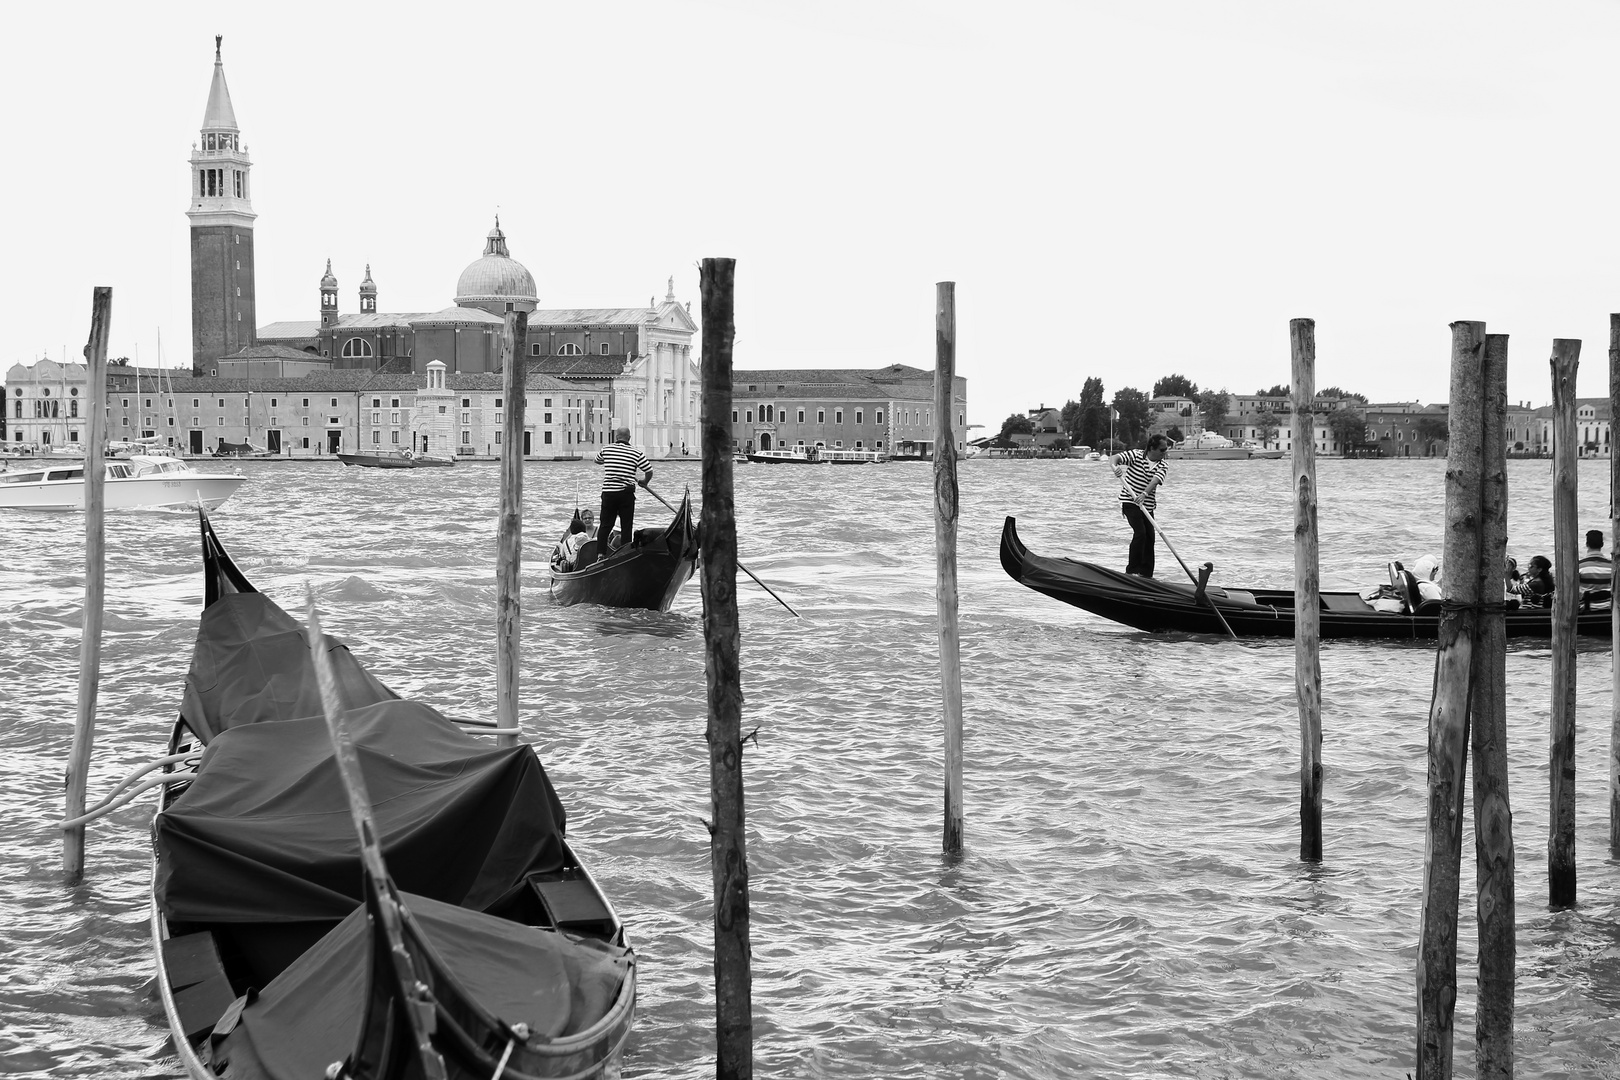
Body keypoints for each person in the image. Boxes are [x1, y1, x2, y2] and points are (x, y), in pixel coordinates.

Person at [1111, 434, 1171, 576]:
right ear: (1152, 448)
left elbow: (1155, 481)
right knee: (1141, 533)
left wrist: (1144, 494)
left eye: (1165, 450)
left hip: (1146, 505)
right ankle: (1131, 571)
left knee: (1150, 537)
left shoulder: (1163, 465)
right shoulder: (1136, 455)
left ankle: (1146, 574)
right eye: (1162, 450)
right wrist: (1115, 467)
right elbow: (1114, 458)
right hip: (1129, 501)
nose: (1165, 453)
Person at [593, 427, 652, 562]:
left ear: (616, 437)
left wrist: (609, 462)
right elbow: (649, 470)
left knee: (605, 525)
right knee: (626, 525)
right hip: (626, 493)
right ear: (629, 438)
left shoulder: (607, 449)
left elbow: (597, 460)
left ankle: (600, 554)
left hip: (609, 493)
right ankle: (625, 554)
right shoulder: (636, 453)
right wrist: (644, 481)